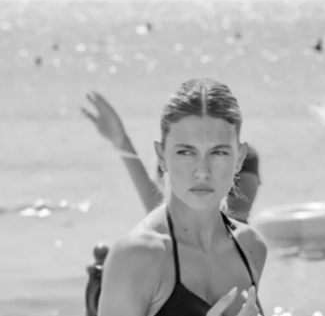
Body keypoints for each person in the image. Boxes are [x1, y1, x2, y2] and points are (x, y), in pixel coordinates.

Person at [90, 79, 269, 316]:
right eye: (186, 152)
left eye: (219, 152)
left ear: (240, 157)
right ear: (162, 156)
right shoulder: (137, 256)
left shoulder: (251, 247)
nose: (202, 171)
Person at [81, 92, 261, 222]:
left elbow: (234, 226)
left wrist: (123, 143)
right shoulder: (172, 156)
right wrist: (121, 142)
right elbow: (158, 213)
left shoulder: (244, 160)